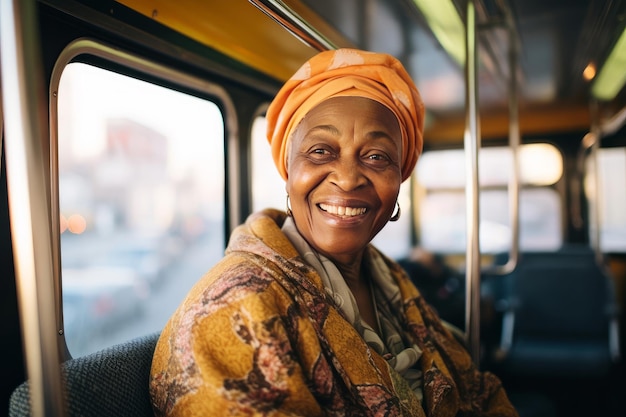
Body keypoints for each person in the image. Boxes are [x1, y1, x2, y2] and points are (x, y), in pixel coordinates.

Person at [150, 48, 518, 417]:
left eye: (376, 156)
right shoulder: (232, 312)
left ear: (400, 176)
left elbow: (474, 390)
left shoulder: (387, 277)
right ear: (288, 171)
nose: (347, 178)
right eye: (321, 151)